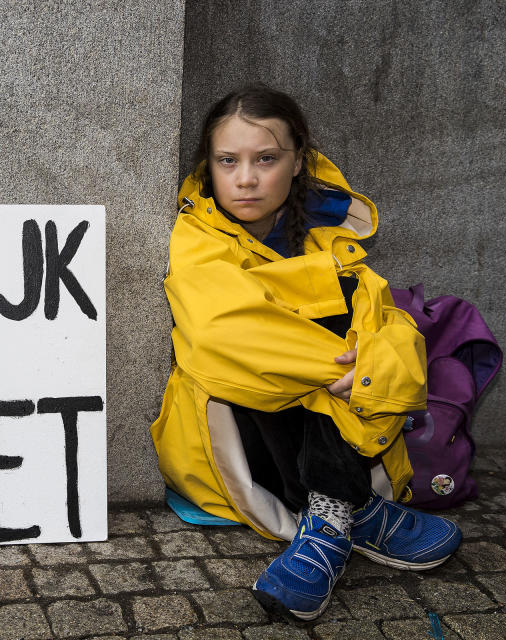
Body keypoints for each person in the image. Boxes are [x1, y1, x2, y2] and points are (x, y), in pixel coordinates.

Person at [150, 84, 462, 621]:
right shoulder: (197, 235)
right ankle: (350, 510)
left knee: (348, 322)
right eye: (228, 160)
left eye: (266, 159)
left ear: (299, 163)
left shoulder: (327, 235)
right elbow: (225, 336)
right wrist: (360, 373)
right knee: (287, 357)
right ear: (209, 164)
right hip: (248, 444)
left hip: (321, 440)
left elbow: (393, 329)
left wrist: (372, 362)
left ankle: (329, 519)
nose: (245, 178)